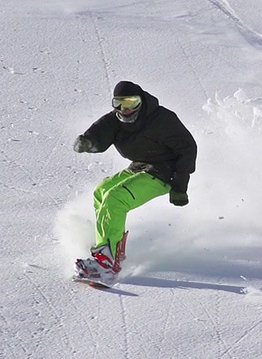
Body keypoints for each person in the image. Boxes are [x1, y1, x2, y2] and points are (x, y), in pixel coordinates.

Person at [72, 80, 197, 284]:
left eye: (131, 102)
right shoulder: (115, 120)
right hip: (140, 166)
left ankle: (106, 263)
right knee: (101, 191)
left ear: (141, 101)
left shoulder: (161, 119)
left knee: (115, 199)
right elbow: (100, 132)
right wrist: (88, 141)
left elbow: (187, 148)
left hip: (165, 172)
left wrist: (180, 187)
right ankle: (110, 251)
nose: (126, 109)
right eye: (120, 103)